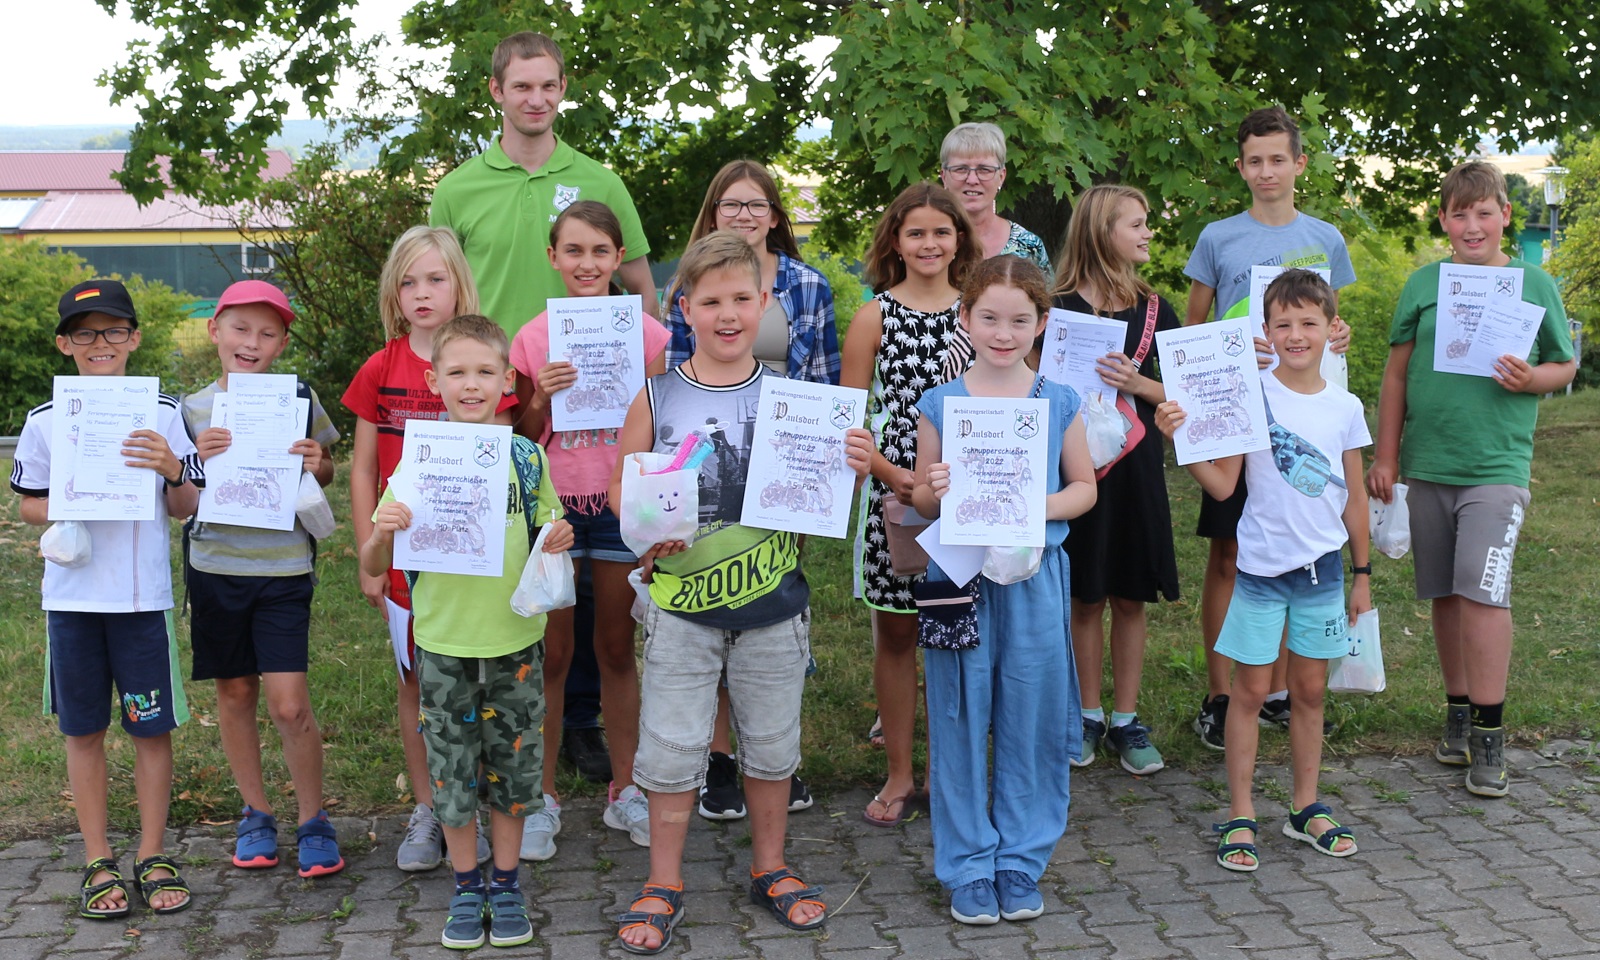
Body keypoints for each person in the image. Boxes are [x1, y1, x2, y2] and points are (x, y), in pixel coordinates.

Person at [608, 232, 873, 954]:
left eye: (741, 300)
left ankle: (771, 866)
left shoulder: (797, 402)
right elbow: (622, 487)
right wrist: (644, 528)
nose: (727, 315)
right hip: (680, 610)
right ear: (684, 308)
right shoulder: (657, 395)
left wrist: (851, 465)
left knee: (772, 746)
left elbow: (825, 496)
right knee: (670, 750)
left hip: (773, 606)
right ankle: (664, 880)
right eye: (711, 302)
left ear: (764, 304)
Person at [361, 314, 574, 949]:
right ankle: (464, 887)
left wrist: (558, 536)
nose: (472, 384)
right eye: (457, 372)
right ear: (435, 382)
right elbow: (372, 561)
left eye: (485, 371)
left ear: (508, 380)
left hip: (514, 643)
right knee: (452, 776)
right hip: (443, 646)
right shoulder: (420, 461)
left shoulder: (526, 458)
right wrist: (382, 533)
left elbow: (550, 534)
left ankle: (505, 884)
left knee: (514, 775)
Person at [1366, 160, 1577, 798]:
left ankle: (1490, 734)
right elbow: (1396, 374)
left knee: (1483, 593)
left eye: (1484, 212)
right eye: (1459, 214)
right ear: (1443, 220)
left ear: (1505, 216)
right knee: (1447, 594)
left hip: (1496, 467)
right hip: (1429, 465)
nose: (1472, 225)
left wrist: (1531, 379)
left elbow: (1563, 364)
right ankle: (1457, 712)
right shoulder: (1424, 284)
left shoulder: (1533, 283)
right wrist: (1386, 455)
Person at [1157, 269, 1369, 872]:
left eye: (1309, 322)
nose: (1296, 334)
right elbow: (1224, 485)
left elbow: (1354, 498)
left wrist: (1362, 574)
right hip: (1259, 573)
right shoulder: (1251, 396)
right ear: (1266, 332)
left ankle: (1305, 807)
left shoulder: (1346, 406)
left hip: (1323, 574)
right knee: (1249, 693)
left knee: (1309, 691)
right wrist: (1180, 441)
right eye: (1283, 324)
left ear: (1331, 328)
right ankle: (1241, 813)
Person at [912, 255, 1096, 924]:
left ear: (1041, 323)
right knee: (957, 713)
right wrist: (934, 491)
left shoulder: (1057, 400)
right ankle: (967, 864)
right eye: (989, 317)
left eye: (1019, 320)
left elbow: (1084, 488)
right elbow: (922, 500)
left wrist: (1032, 508)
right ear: (965, 317)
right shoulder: (941, 403)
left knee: (1033, 713)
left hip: (1033, 577)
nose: (1003, 333)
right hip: (956, 579)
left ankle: (1020, 858)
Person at [11, 279, 200, 917]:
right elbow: (28, 505)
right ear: (64, 343)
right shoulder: (46, 419)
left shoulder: (163, 412)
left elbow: (185, 506)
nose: (101, 343)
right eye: (85, 332)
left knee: (150, 728)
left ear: (134, 337)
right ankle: (97, 858)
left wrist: (171, 468)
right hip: (72, 600)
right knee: (83, 728)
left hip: (141, 601)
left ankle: (152, 853)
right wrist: (74, 494)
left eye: (114, 330)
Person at [664, 159, 839, 820]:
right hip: (712, 461)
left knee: (772, 608)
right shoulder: (687, 284)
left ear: (774, 215)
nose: (744, 215)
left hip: (785, 467)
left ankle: (773, 756)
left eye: (756, 204)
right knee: (711, 602)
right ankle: (718, 760)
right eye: (731, 204)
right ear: (713, 213)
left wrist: (815, 465)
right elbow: (675, 379)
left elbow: (823, 382)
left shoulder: (807, 285)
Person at [1182, 106, 1355, 749]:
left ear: (1299, 164)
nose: (1266, 171)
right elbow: (1193, 332)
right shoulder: (1217, 237)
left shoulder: (1326, 238)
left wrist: (1338, 332)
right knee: (1230, 553)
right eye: (1254, 161)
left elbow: (1331, 320)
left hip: (1301, 417)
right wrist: (1233, 347)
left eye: (1278, 159)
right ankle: (1222, 693)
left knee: (1296, 550)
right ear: (1240, 168)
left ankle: (1279, 691)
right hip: (1238, 413)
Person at [509, 200, 671, 856]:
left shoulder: (649, 336)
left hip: (619, 503)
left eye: (600, 251)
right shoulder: (531, 338)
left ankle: (626, 789)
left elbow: (662, 428)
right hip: (554, 507)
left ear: (619, 259)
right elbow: (519, 436)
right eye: (573, 251)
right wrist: (540, 397)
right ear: (553, 257)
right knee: (551, 653)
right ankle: (540, 797)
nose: (587, 263)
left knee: (615, 649)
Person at [343, 225, 497, 871]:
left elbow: (505, 454)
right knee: (416, 686)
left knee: (480, 688)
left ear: (459, 283)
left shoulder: (483, 358)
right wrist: (368, 553)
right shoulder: (381, 367)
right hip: (405, 565)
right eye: (408, 282)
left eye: (435, 278)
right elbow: (361, 469)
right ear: (393, 294)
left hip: (472, 564)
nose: (422, 292)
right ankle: (430, 810)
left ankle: (473, 810)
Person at [179, 281, 343, 878]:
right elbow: (175, 492)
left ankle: (313, 818)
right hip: (216, 568)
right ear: (214, 331)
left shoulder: (298, 399)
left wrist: (317, 463)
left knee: (289, 704)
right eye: (240, 329)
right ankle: (256, 813)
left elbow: (326, 466)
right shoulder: (188, 411)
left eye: (267, 333)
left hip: (283, 569)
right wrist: (193, 459)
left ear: (281, 344)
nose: (252, 342)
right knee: (235, 692)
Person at [840, 183, 980, 827]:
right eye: (916, 232)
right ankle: (899, 773)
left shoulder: (980, 312)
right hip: (893, 495)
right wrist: (892, 476)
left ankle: (955, 775)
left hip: (971, 494)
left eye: (941, 232)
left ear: (959, 239)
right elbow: (849, 423)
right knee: (897, 635)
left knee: (960, 636)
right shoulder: (874, 316)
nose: (929, 244)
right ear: (895, 241)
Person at [1049, 185, 1181, 775]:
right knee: (1086, 593)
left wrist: (1137, 383)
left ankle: (1126, 719)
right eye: (1137, 223)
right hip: (1076, 469)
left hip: (1136, 468)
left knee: (1130, 593)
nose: (1148, 232)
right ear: (1103, 231)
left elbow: (1181, 390)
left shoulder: (1154, 308)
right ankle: (1086, 713)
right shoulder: (1053, 308)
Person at [430, 30, 656, 335]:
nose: (537, 101)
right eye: (522, 87)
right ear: (496, 89)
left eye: (547, 86)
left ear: (562, 87)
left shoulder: (604, 185)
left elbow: (644, 293)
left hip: (581, 363)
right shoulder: (454, 191)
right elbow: (437, 298)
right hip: (487, 364)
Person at [936, 122, 1051, 380]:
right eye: (960, 169)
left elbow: (1048, 327)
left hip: (1013, 386)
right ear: (944, 176)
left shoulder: (1028, 246)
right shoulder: (929, 248)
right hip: (932, 378)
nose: (972, 179)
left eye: (985, 169)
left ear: (1001, 176)